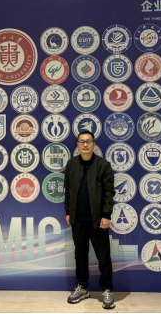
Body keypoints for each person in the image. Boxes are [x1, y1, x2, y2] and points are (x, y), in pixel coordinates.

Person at [64, 130, 116, 309]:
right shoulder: (71, 164)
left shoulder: (103, 165)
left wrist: (106, 215)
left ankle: (106, 289)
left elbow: (109, 193)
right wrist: (68, 212)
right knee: (80, 255)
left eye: (88, 141)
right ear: (77, 145)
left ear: (94, 144)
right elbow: (68, 190)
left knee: (103, 256)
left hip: (97, 220)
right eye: (82, 142)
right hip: (77, 219)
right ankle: (82, 287)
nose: (85, 144)